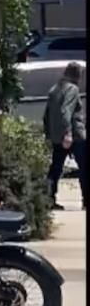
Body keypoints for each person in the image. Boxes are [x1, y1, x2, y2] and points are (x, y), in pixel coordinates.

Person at [43, 61, 86, 211]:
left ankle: (48, 199)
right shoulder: (72, 89)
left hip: (56, 136)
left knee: (55, 168)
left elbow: (47, 114)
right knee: (84, 167)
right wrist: (68, 133)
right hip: (74, 135)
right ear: (77, 75)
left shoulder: (54, 89)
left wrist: (49, 133)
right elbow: (65, 111)